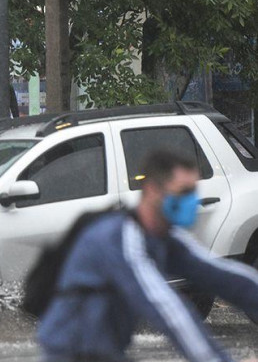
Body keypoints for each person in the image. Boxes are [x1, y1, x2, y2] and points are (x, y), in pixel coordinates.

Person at [37, 150, 258, 362]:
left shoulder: (164, 237)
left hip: (107, 353)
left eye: (193, 192)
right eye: (183, 192)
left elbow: (224, 277)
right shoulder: (118, 237)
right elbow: (166, 309)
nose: (191, 201)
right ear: (153, 190)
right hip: (70, 355)